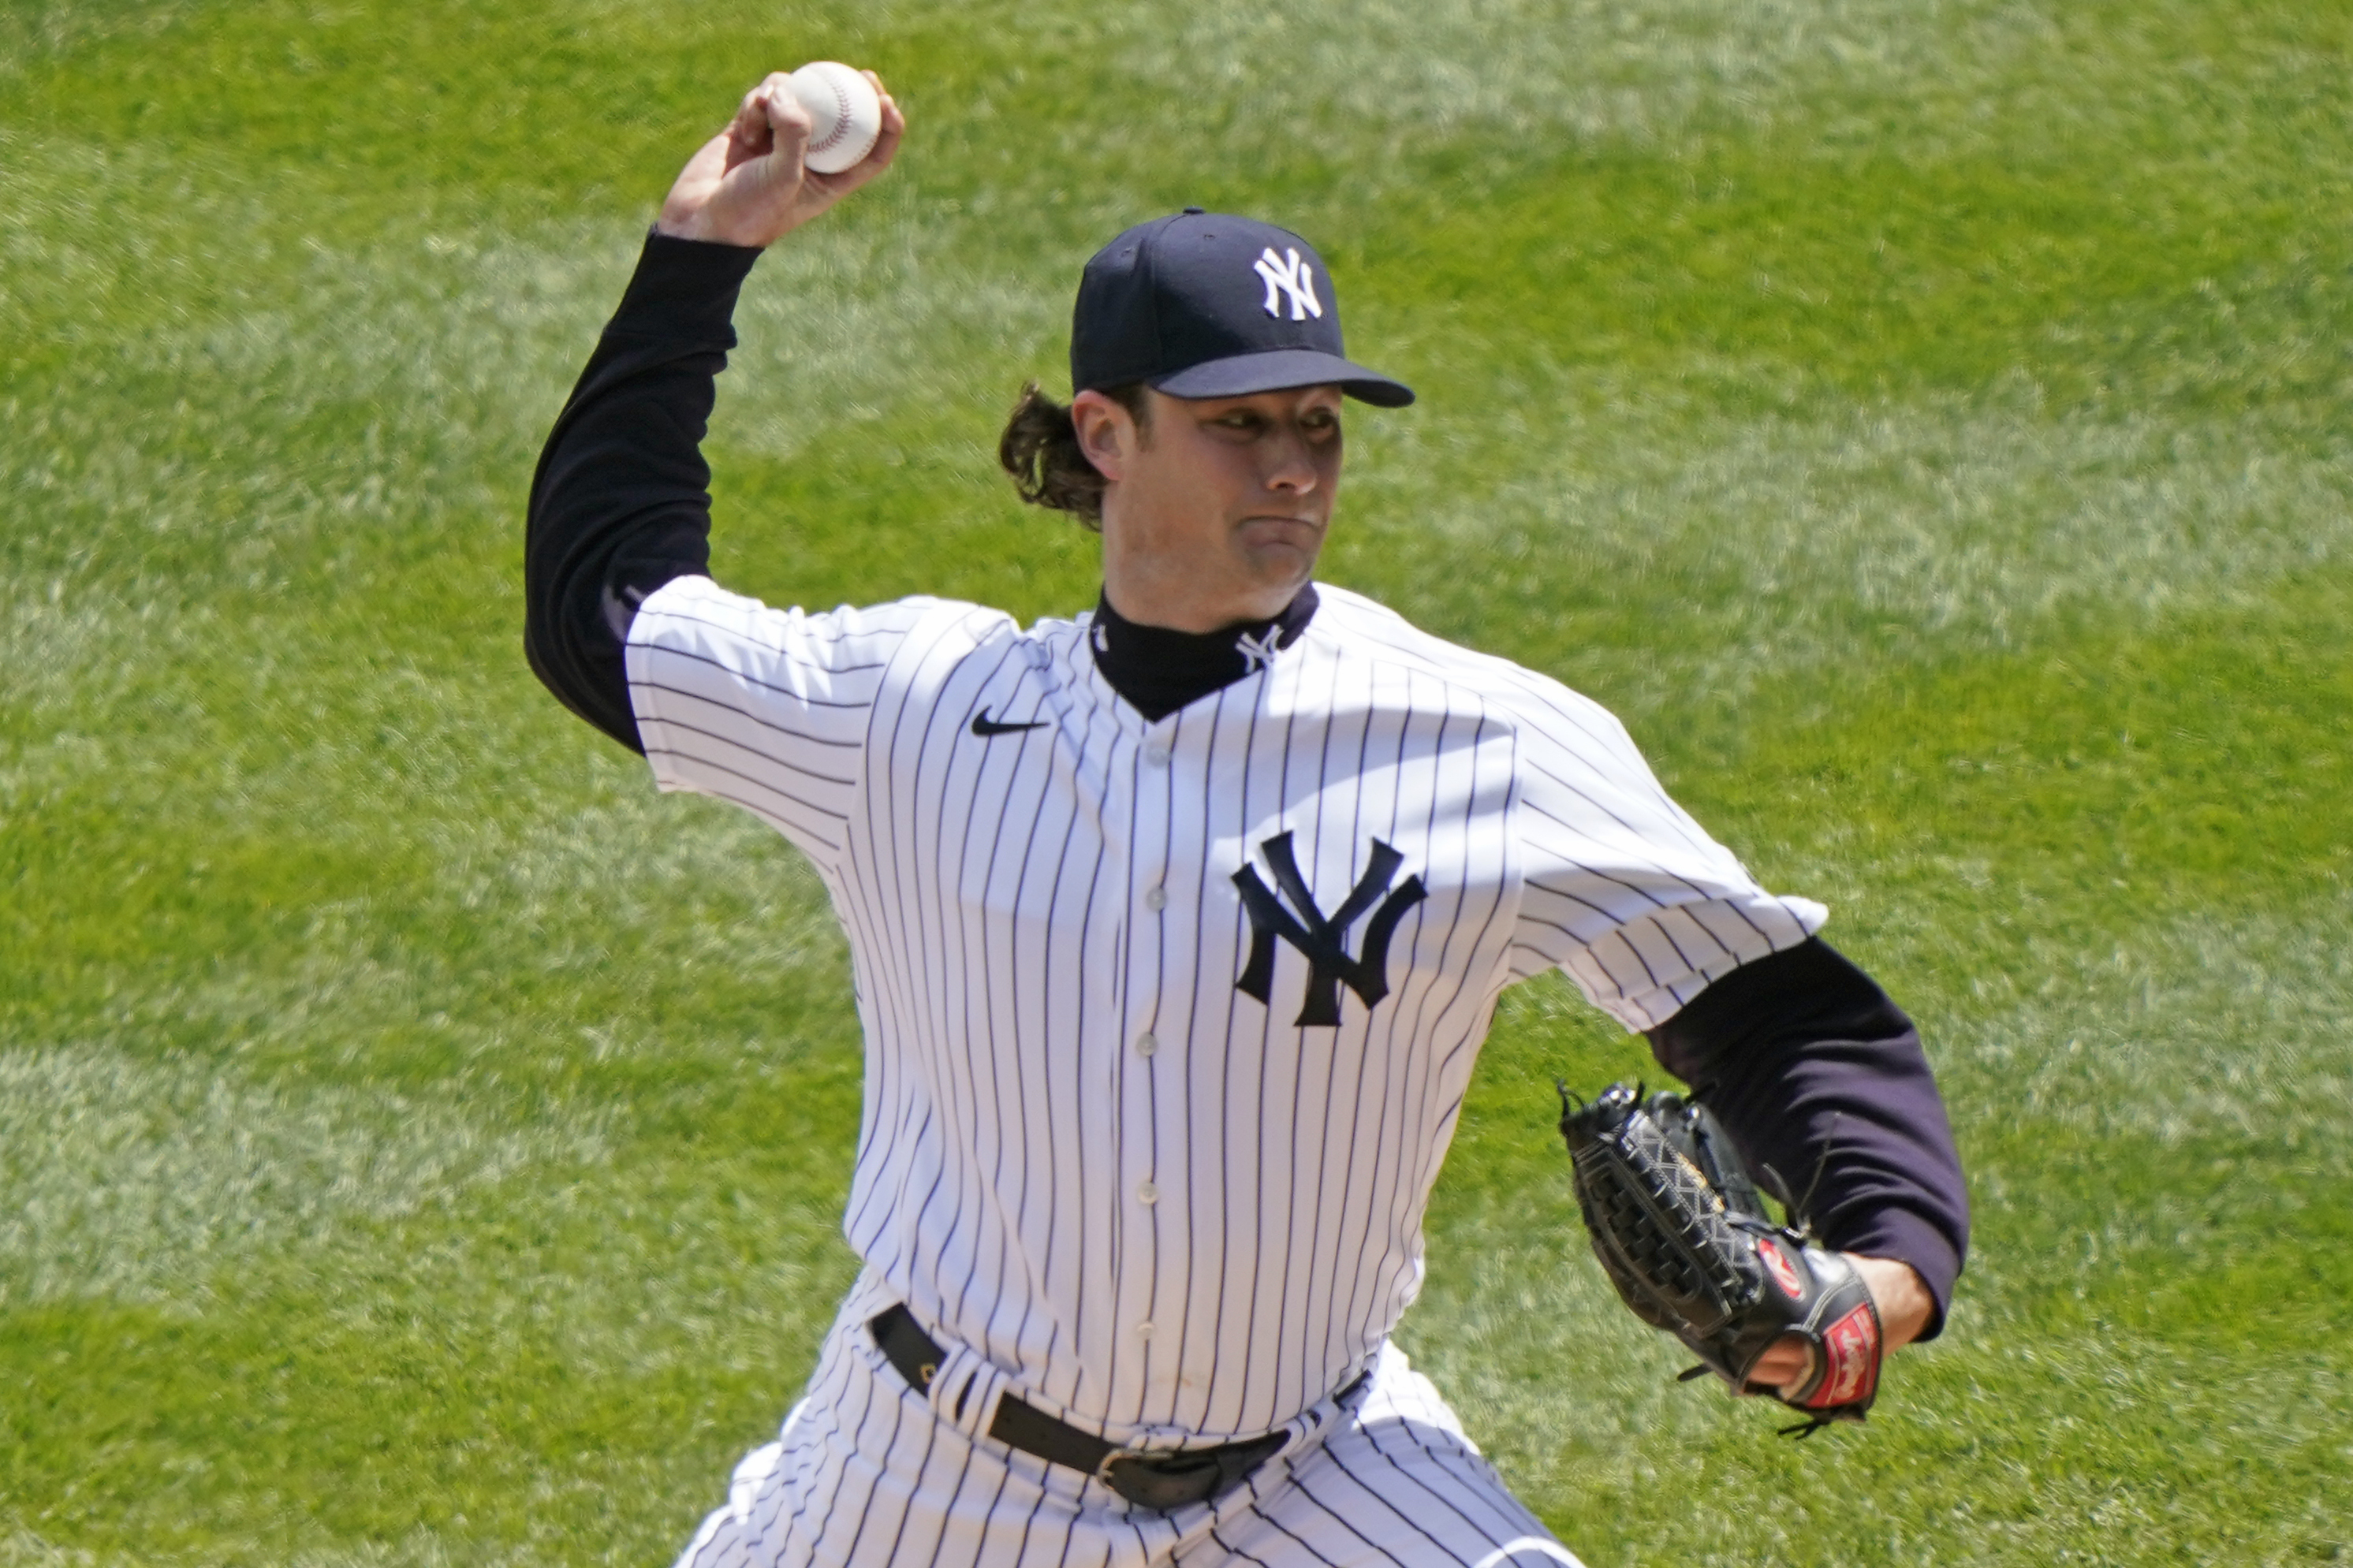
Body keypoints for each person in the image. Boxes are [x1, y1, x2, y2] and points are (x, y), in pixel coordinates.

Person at [523, 69, 1968, 1568]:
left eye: (1320, 424)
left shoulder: (1487, 741)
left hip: (1314, 1476)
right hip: (919, 1468)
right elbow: (602, 612)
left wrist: (1889, 1273)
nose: (1293, 465)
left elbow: (1779, 1016)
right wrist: (701, 252)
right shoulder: (911, 711)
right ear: (1106, 430)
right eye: (1238, 423)